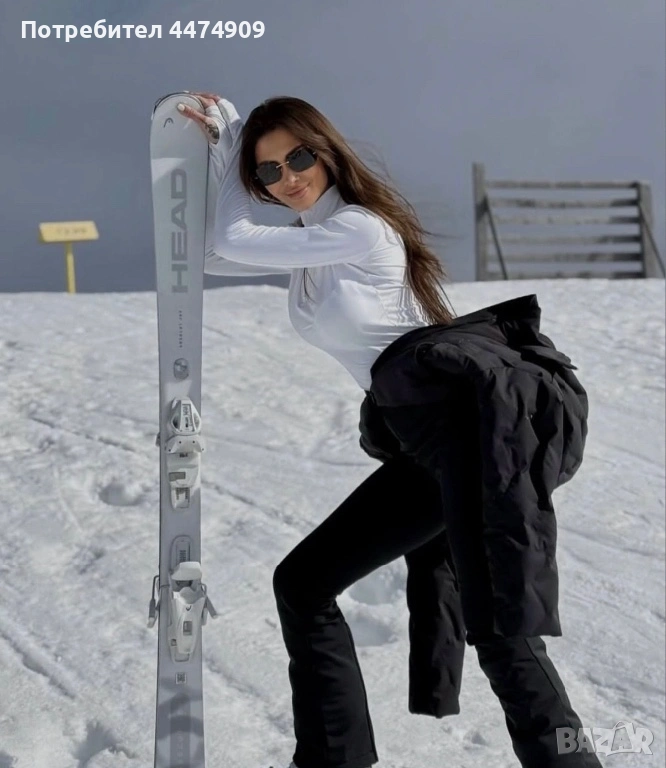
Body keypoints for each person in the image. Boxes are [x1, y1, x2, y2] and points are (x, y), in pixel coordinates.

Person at [178, 91, 602, 768]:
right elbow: (211, 253)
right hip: (425, 450)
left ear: (327, 152)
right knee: (303, 584)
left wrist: (231, 142)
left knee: (500, 631)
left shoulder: (361, 227)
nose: (288, 177)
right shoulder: (311, 248)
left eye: (299, 158)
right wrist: (226, 157)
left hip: (470, 439)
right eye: (267, 171)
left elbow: (230, 240)